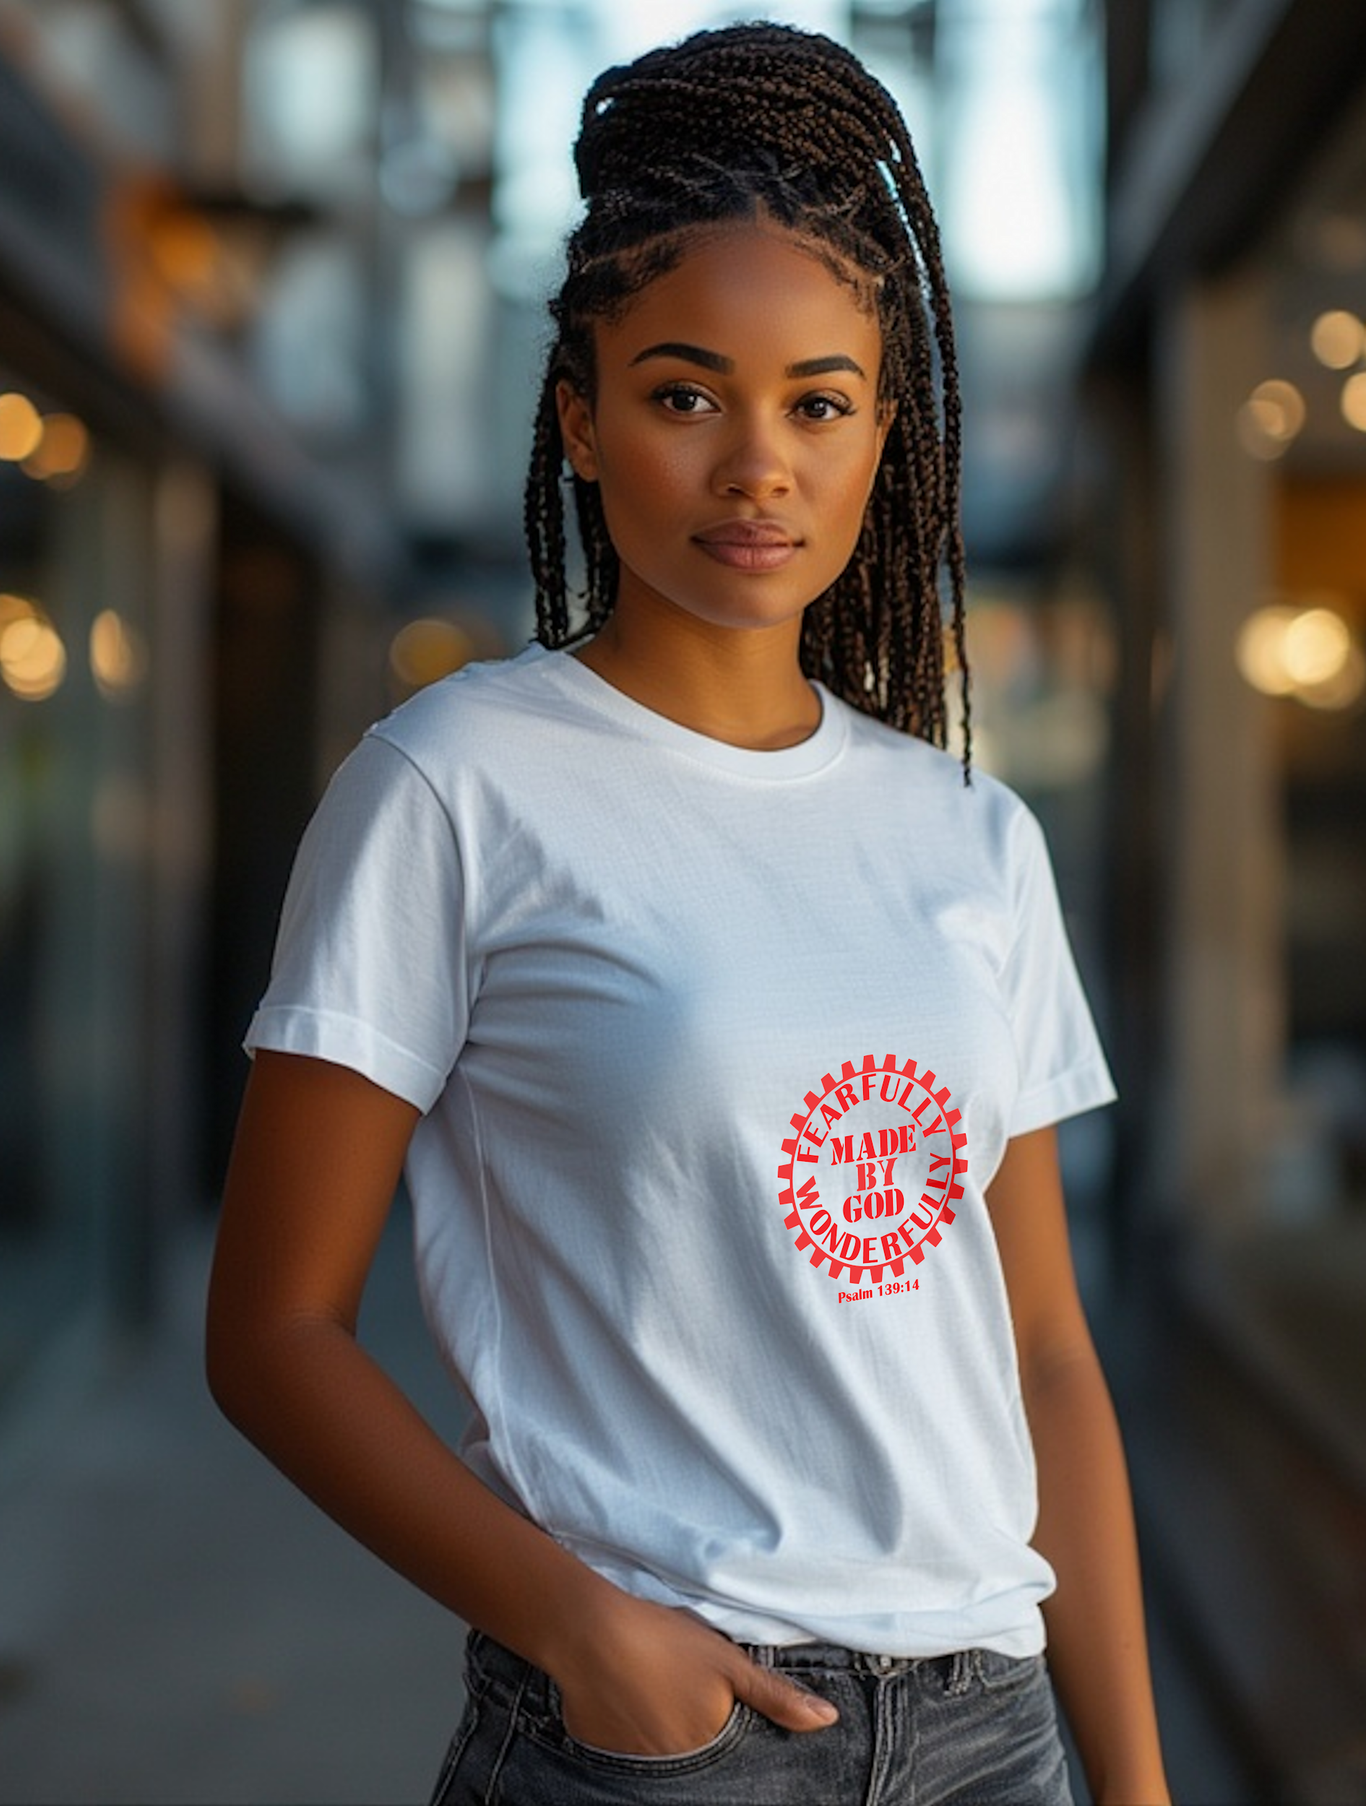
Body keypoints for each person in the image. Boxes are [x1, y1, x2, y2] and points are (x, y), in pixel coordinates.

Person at [207, 21, 1171, 1805]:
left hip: (997, 1729)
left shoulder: (973, 831)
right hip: (669, 1737)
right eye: (680, 392)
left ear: (889, 427)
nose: (758, 466)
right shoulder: (452, 786)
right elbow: (270, 1332)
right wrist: (583, 1633)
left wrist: (1137, 1784)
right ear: (577, 415)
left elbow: (1043, 1353)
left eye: (818, 399)